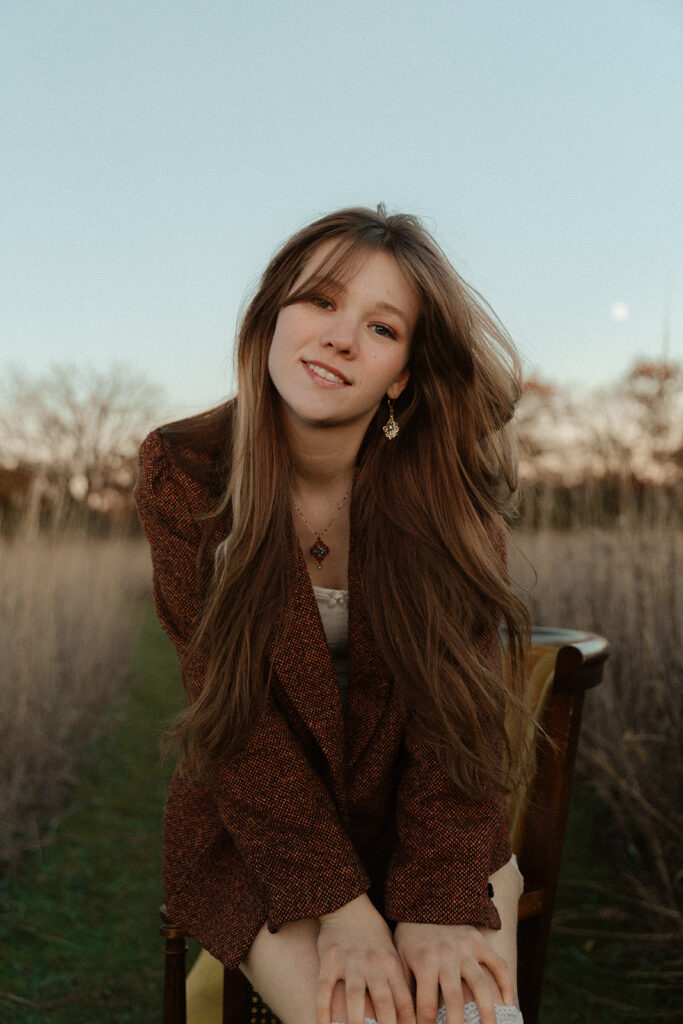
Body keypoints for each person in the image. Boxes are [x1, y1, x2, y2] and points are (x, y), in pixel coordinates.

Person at [134, 206, 531, 1024]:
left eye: (381, 327)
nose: (340, 337)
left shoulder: (448, 505)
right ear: (271, 316)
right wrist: (341, 909)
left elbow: (457, 722)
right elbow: (235, 724)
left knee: (471, 1018)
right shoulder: (187, 472)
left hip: (430, 821)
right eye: (319, 300)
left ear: (401, 375)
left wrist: (435, 897)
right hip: (258, 833)